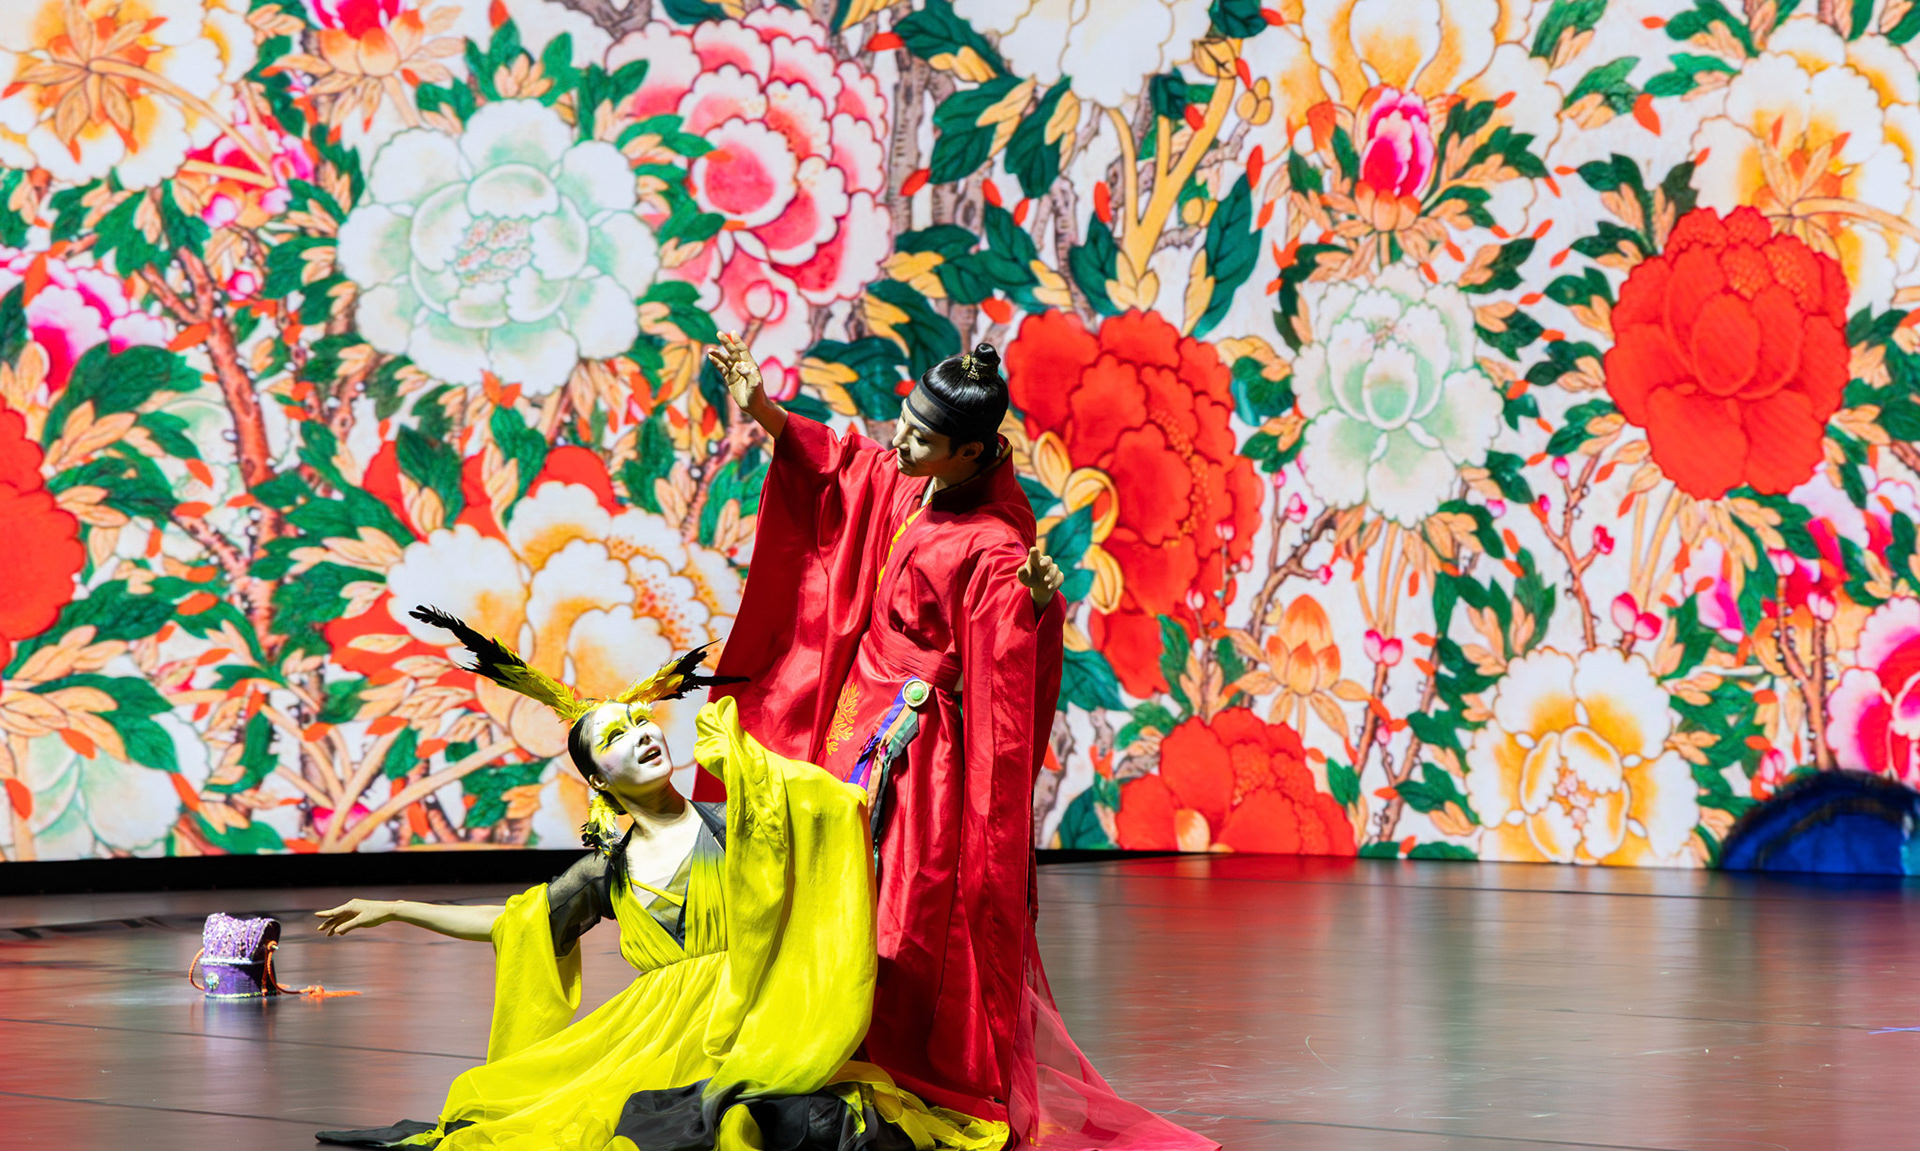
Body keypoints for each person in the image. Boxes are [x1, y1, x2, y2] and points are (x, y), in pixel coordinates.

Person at [702, 335, 1215, 1150]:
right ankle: (812, 1028)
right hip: (855, 713)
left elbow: (1001, 664)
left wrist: (1029, 610)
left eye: (921, 437)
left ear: (972, 451)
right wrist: (763, 409)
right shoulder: (918, 482)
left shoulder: (995, 544)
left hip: (912, 748)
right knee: (821, 878)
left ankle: (896, 1056)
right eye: (905, 427)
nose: (900, 445)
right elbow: (852, 464)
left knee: (897, 905)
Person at [312, 607, 1006, 1151]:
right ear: (597, 780)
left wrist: (879, 747)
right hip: (653, 1038)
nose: (642, 734)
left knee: (807, 1122)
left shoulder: (738, 821)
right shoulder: (606, 867)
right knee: (549, 1117)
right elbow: (515, 923)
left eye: (641, 721)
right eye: (615, 737)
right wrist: (396, 906)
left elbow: (832, 820)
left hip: (753, 1022)